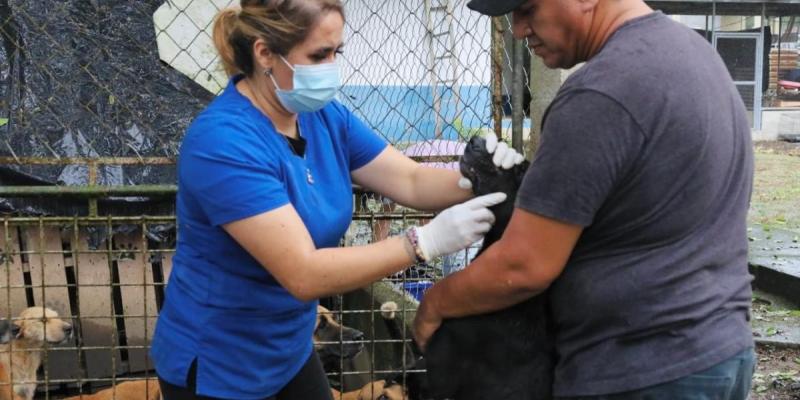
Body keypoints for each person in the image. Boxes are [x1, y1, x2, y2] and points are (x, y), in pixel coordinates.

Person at [149, 0, 524, 399]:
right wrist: (423, 242)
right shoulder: (223, 141)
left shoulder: (324, 116)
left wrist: (484, 178)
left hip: (289, 347)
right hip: (221, 362)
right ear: (264, 54)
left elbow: (411, 180)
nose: (331, 67)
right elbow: (304, 273)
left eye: (336, 52)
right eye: (318, 55)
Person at [413, 0, 756, 399]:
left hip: (640, 368)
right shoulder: (695, 54)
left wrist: (436, 303)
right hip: (718, 347)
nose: (520, 30)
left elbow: (525, 265)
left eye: (527, 9)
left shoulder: (601, 92)